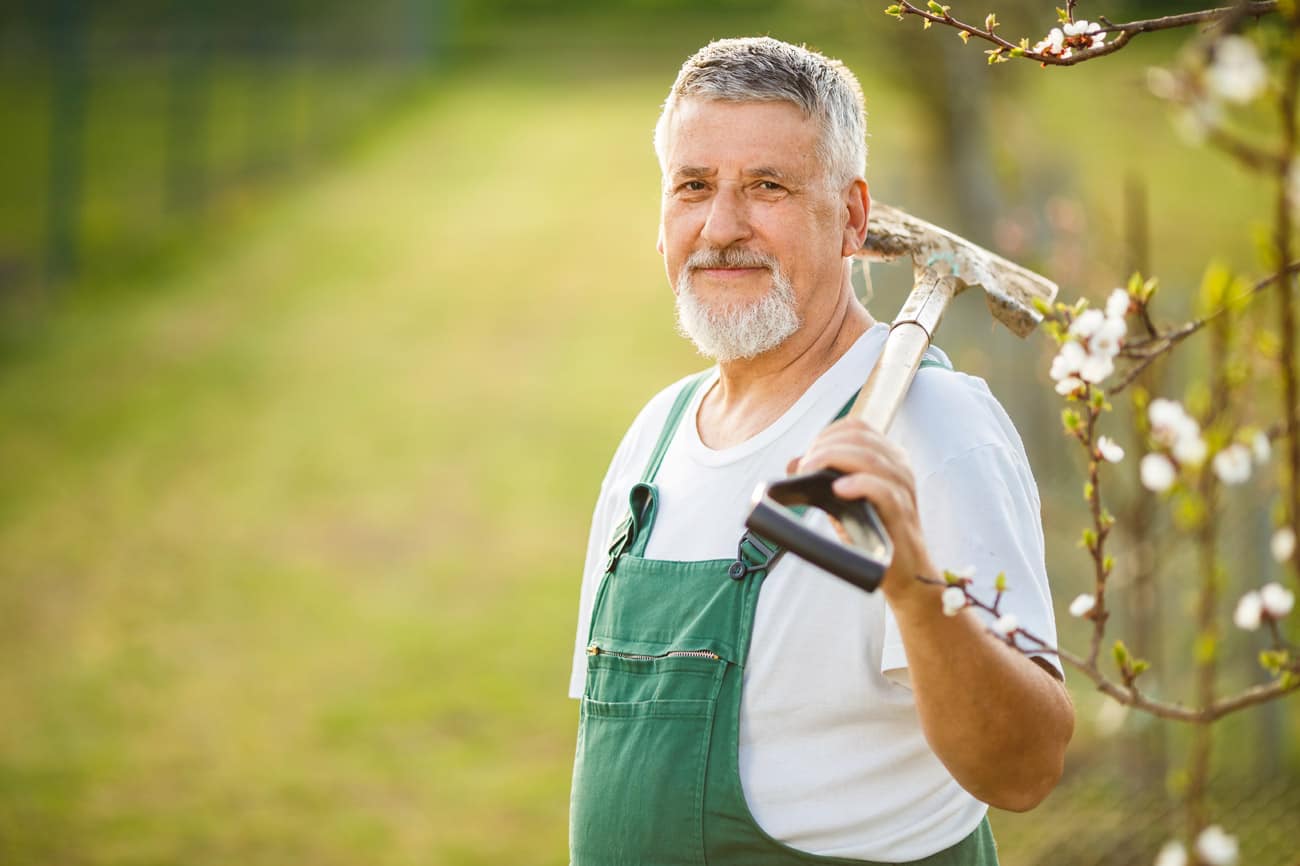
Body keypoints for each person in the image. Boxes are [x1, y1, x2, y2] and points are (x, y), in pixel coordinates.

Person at [568, 37, 1074, 866]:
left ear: (853, 217)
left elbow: (1026, 768)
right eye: (693, 186)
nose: (721, 228)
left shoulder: (936, 430)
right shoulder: (653, 441)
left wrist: (915, 592)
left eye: (767, 186)